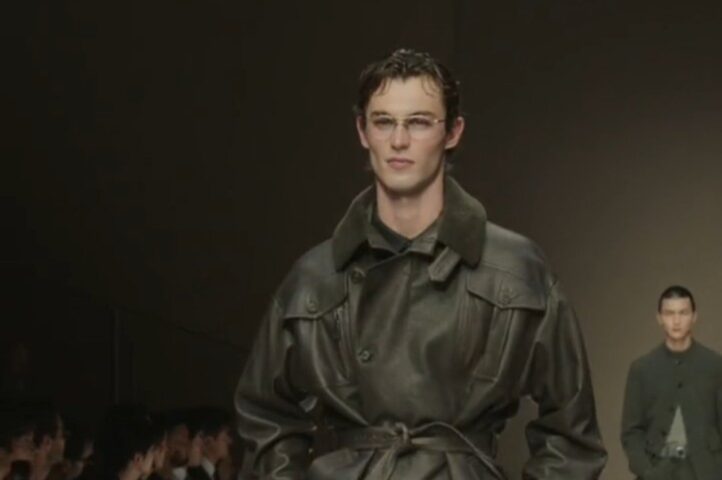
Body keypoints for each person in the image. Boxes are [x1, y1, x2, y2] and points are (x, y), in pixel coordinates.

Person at [235, 48, 606, 479]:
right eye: (383, 121)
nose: (399, 141)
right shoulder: (315, 277)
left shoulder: (516, 268)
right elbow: (264, 416)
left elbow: (572, 434)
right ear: (362, 131)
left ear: (453, 132)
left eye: (418, 122)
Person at [621, 285, 722, 480]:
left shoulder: (715, 366)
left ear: (694, 317)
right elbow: (631, 431)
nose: (676, 321)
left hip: (707, 472)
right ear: (659, 318)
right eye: (669, 313)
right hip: (656, 471)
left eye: (683, 313)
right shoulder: (642, 369)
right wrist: (647, 471)